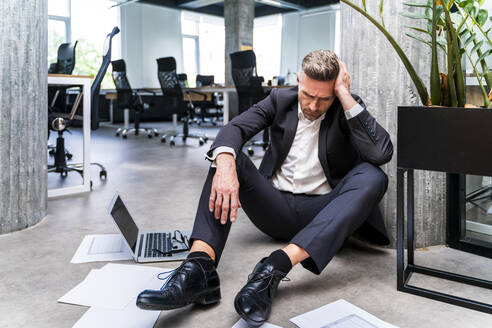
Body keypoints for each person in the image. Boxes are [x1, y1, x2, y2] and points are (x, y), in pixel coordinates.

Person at [137, 50, 393, 327]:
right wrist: (224, 164)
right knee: (225, 157)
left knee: (373, 176)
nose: (315, 105)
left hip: (324, 213)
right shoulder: (280, 100)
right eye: (308, 95)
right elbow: (234, 129)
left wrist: (343, 94)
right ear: (298, 81)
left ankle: (276, 266)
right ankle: (198, 269)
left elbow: (380, 153)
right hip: (273, 208)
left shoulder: (346, 107)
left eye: (324, 98)